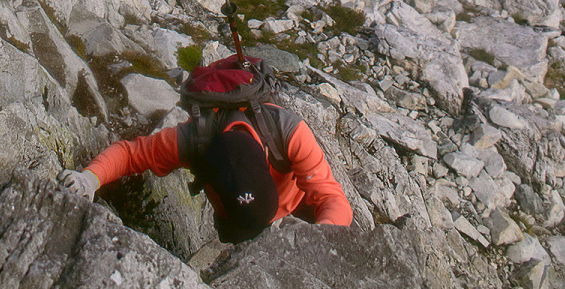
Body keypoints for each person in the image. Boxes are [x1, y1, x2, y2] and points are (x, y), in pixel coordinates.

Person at [60, 56, 353, 242]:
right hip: (236, 219)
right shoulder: (193, 140)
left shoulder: (289, 133)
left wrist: (316, 243)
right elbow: (130, 154)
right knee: (236, 240)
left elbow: (333, 199)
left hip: (295, 205)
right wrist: (89, 178)